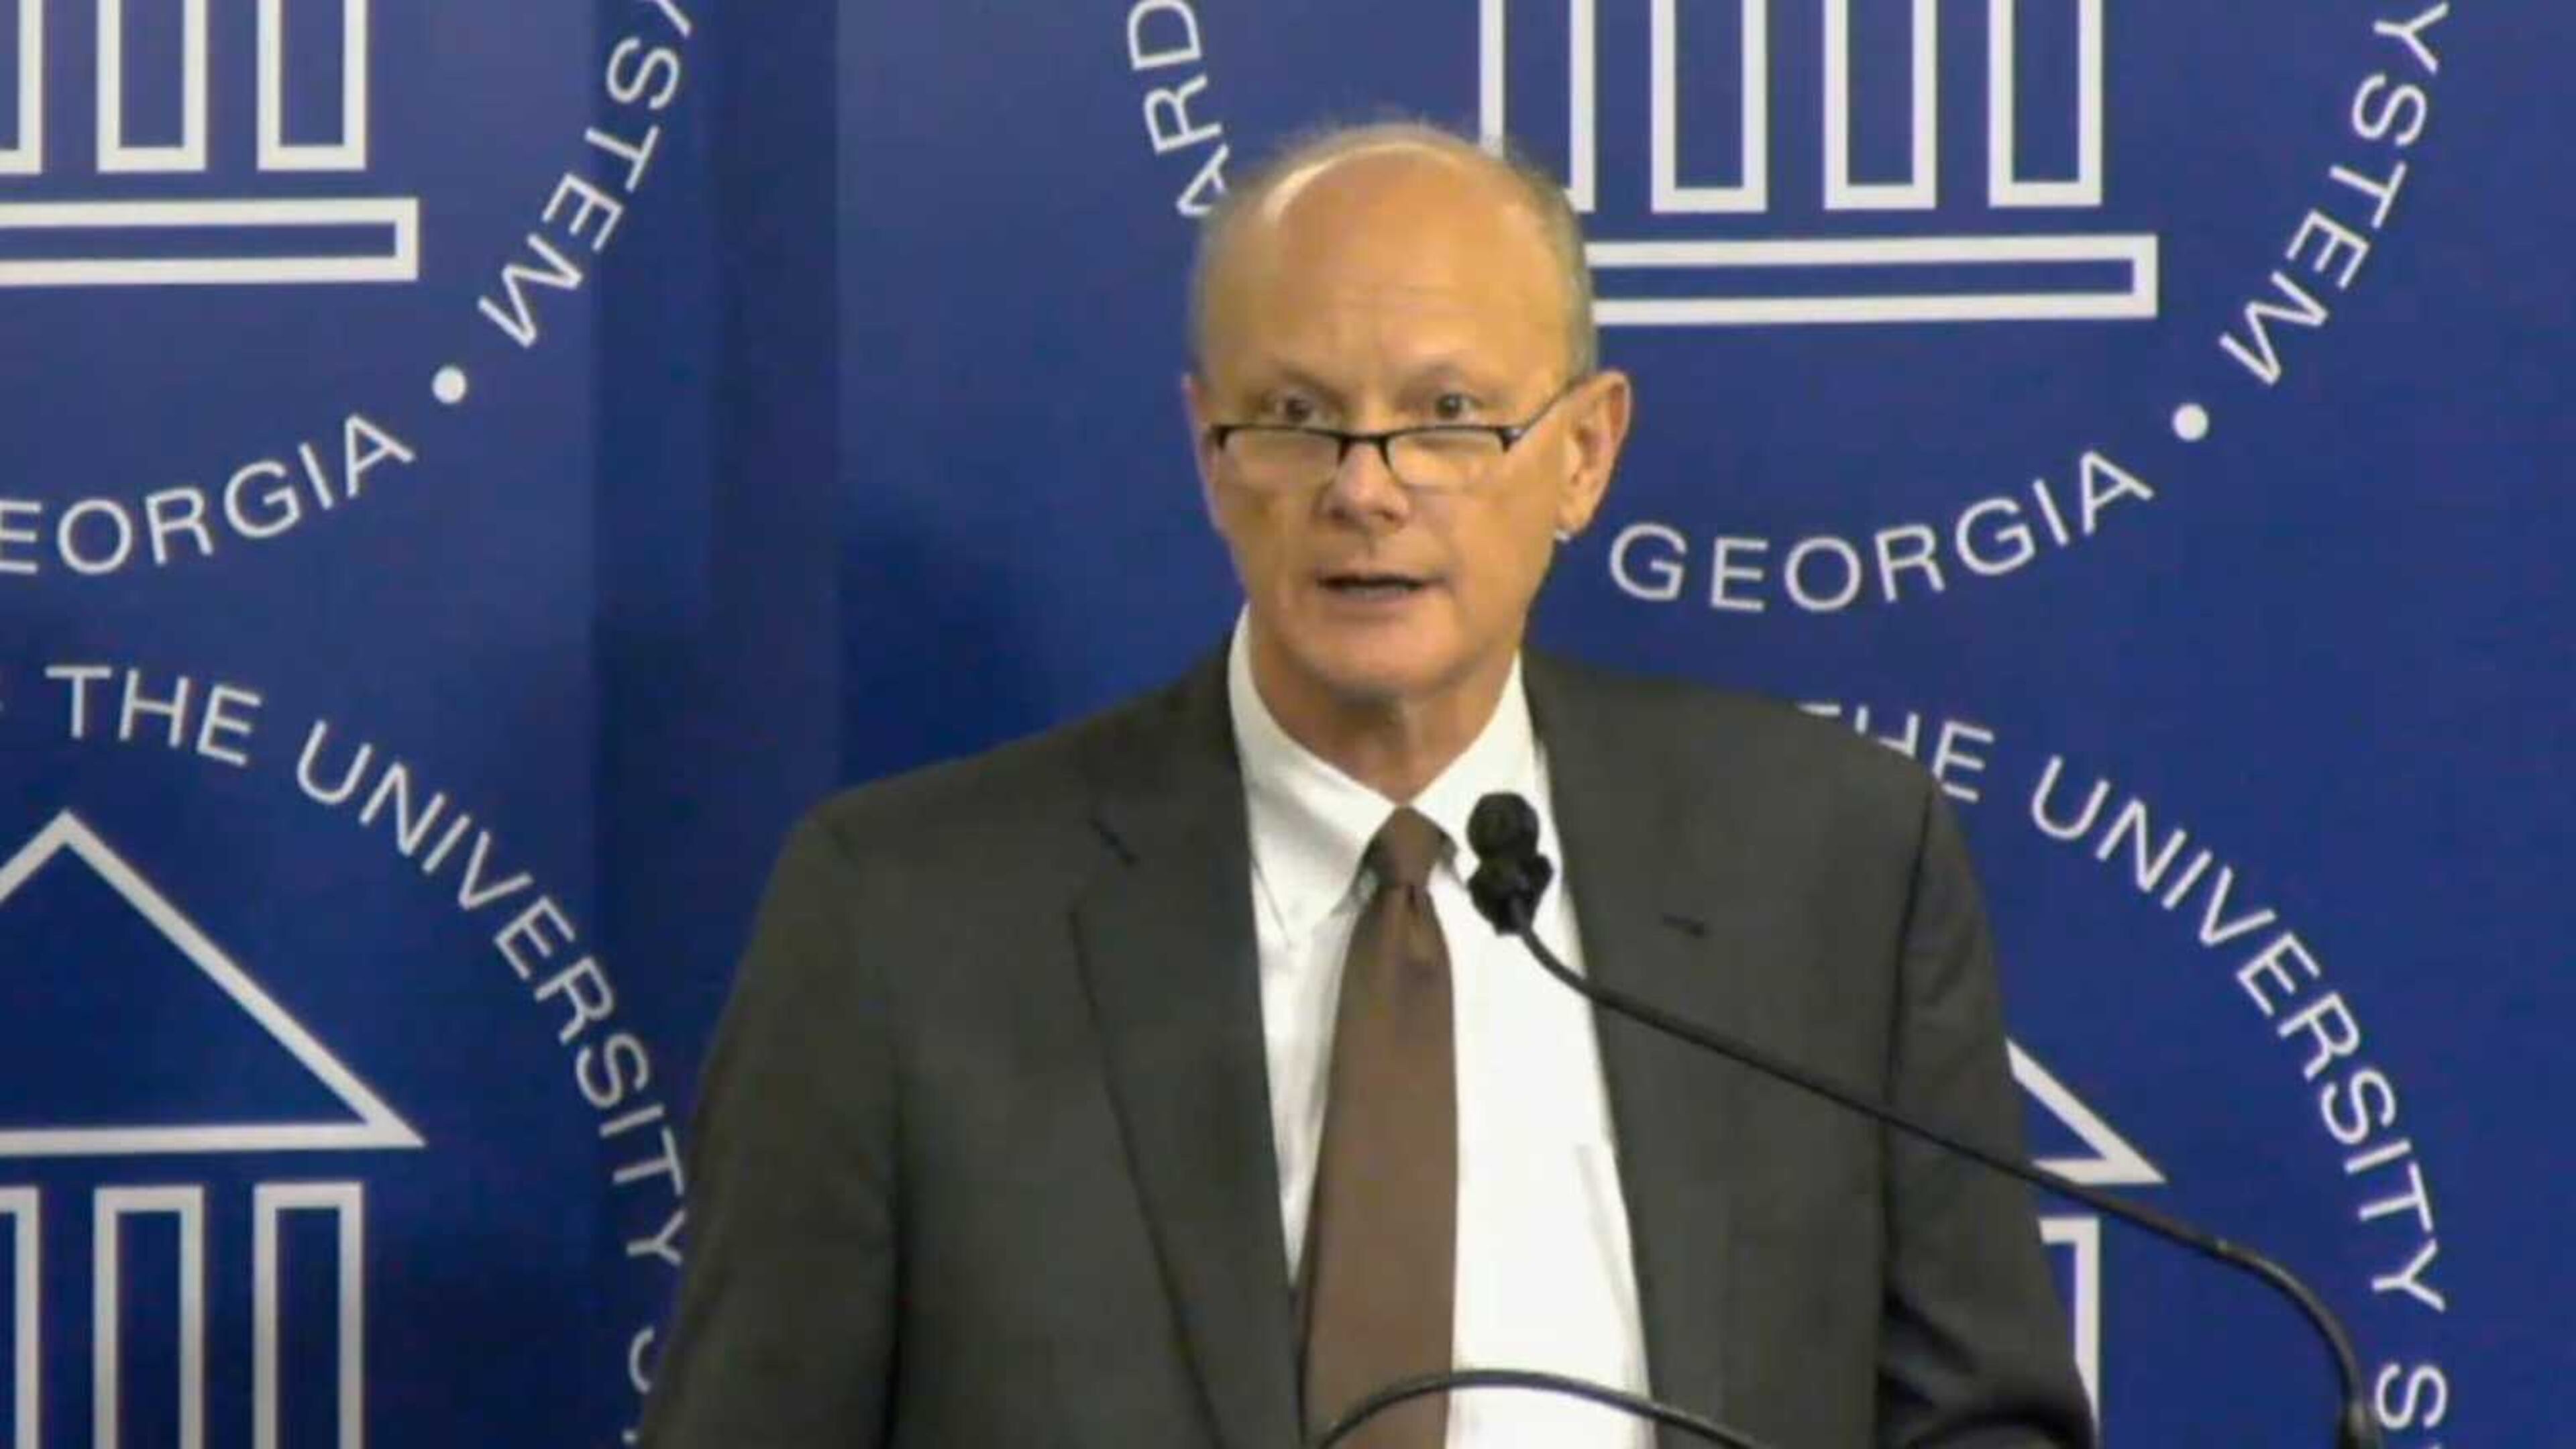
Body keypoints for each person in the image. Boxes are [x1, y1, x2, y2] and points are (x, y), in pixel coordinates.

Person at [637, 121, 2094, 1449]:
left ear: (1585, 455)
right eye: (1296, 416)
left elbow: (1985, 1430)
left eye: (1449, 415)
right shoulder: (906, 921)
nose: (1367, 487)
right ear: (1212, 457)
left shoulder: (1832, 863)